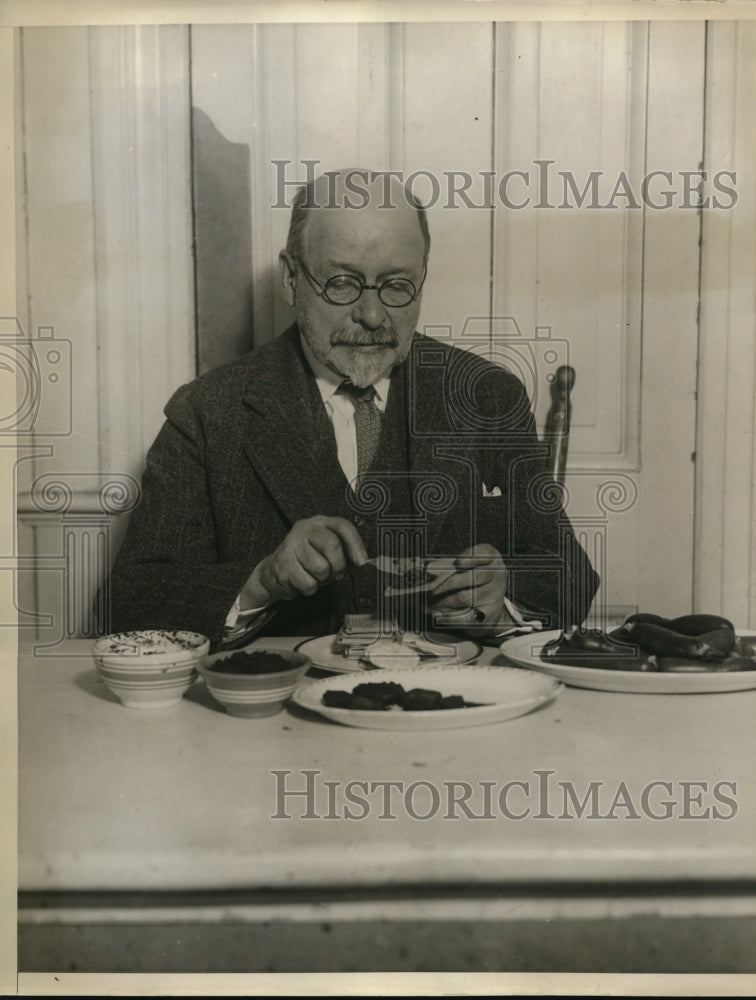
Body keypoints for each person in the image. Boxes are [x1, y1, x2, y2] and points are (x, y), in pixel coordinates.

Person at [102, 169, 599, 648]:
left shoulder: (486, 395)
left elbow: (572, 574)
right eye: (342, 283)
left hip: (446, 712)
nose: (373, 316)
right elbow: (130, 604)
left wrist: (504, 592)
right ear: (292, 279)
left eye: (398, 286)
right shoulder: (208, 414)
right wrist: (261, 581)